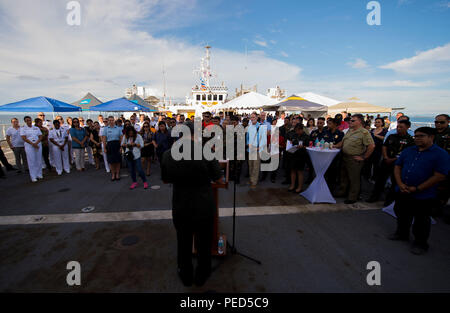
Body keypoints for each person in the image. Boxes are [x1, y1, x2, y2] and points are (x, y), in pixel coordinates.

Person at [161, 122, 223, 287]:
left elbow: (166, 178)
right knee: (203, 242)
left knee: (183, 240)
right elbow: (219, 178)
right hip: (203, 206)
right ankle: (202, 274)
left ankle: (185, 273)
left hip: (181, 205)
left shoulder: (168, 154)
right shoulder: (205, 151)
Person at [391, 127, 449, 255]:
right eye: (415, 136)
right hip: (403, 189)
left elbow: (440, 175)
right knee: (401, 213)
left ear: (431, 137)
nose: (417, 138)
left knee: (421, 219)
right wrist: (400, 183)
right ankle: (402, 233)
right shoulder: (409, 150)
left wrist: (418, 188)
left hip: (424, 194)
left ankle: (420, 243)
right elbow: (398, 166)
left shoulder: (440, 154)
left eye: (421, 136)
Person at [367, 120, 415, 204]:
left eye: (401, 127)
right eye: (397, 127)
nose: (398, 129)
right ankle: (374, 196)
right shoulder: (392, 136)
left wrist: (392, 159)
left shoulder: (410, 140)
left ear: (407, 127)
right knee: (380, 180)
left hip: (398, 163)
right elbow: (385, 146)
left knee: (394, 182)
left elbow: (405, 153)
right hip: (386, 160)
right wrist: (385, 157)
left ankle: (389, 200)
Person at [334, 114, 375, 204]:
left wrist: (364, 157)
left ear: (359, 122)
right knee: (343, 176)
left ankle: (352, 197)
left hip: (354, 159)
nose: (350, 122)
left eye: (353, 121)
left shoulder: (364, 132)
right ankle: (342, 192)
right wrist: (334, 146)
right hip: (345, 157)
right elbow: (343, 141)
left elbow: (371, 146)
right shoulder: (350, 130)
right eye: (350, 120)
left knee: (354, 179)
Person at [286, 124, 309, 193]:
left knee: (299, 172)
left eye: (298, 130)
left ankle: (300, 187)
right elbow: (291, 142)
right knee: (292, 170)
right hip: (293, 155)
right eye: (296, 130)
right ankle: (292, 185)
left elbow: (308, 146)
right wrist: (290, 143)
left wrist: (303, 147)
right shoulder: (294, 135)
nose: (297, 132)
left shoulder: (306, 137)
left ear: (301, 129)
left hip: (301, 156)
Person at [246, 113, 267, 188]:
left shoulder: (261, 127)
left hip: (257, 150)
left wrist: (258, 148)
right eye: (251, 117)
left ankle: (254, 182)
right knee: (250, 166)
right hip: (250, 150)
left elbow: (264, 140)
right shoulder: (249, 127)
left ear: (257, 117)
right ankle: (251, 179)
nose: (252, 118)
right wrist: (248, 144)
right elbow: (247, 138)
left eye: (253, 117)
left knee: (256, 166)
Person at [20, 116, 43, 182]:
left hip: (38, 144)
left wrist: (36, 143)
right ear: (25, 121)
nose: (29, 121)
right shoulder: (23, 128)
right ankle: (33, 176)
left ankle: (39, 174)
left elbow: (40, 136)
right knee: (31, 161)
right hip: (29, 145)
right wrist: (33, 144)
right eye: (27, 120)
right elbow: (24, 138)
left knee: (38, 159)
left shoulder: (36, 128)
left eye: (29, 120)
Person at [102, 116, 123, 181]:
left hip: (117, 145)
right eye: (110, 120)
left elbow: (121, 138)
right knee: (111, 161)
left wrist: (121, 147)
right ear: (108, 121)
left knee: (118, 161)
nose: (111, 121)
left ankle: (117, 174)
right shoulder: (105, 129)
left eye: (112, 120)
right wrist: (104, 148)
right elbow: (104, 139)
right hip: (110, 145)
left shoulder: (118, 128)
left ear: (114, 121)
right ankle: (113, 174)